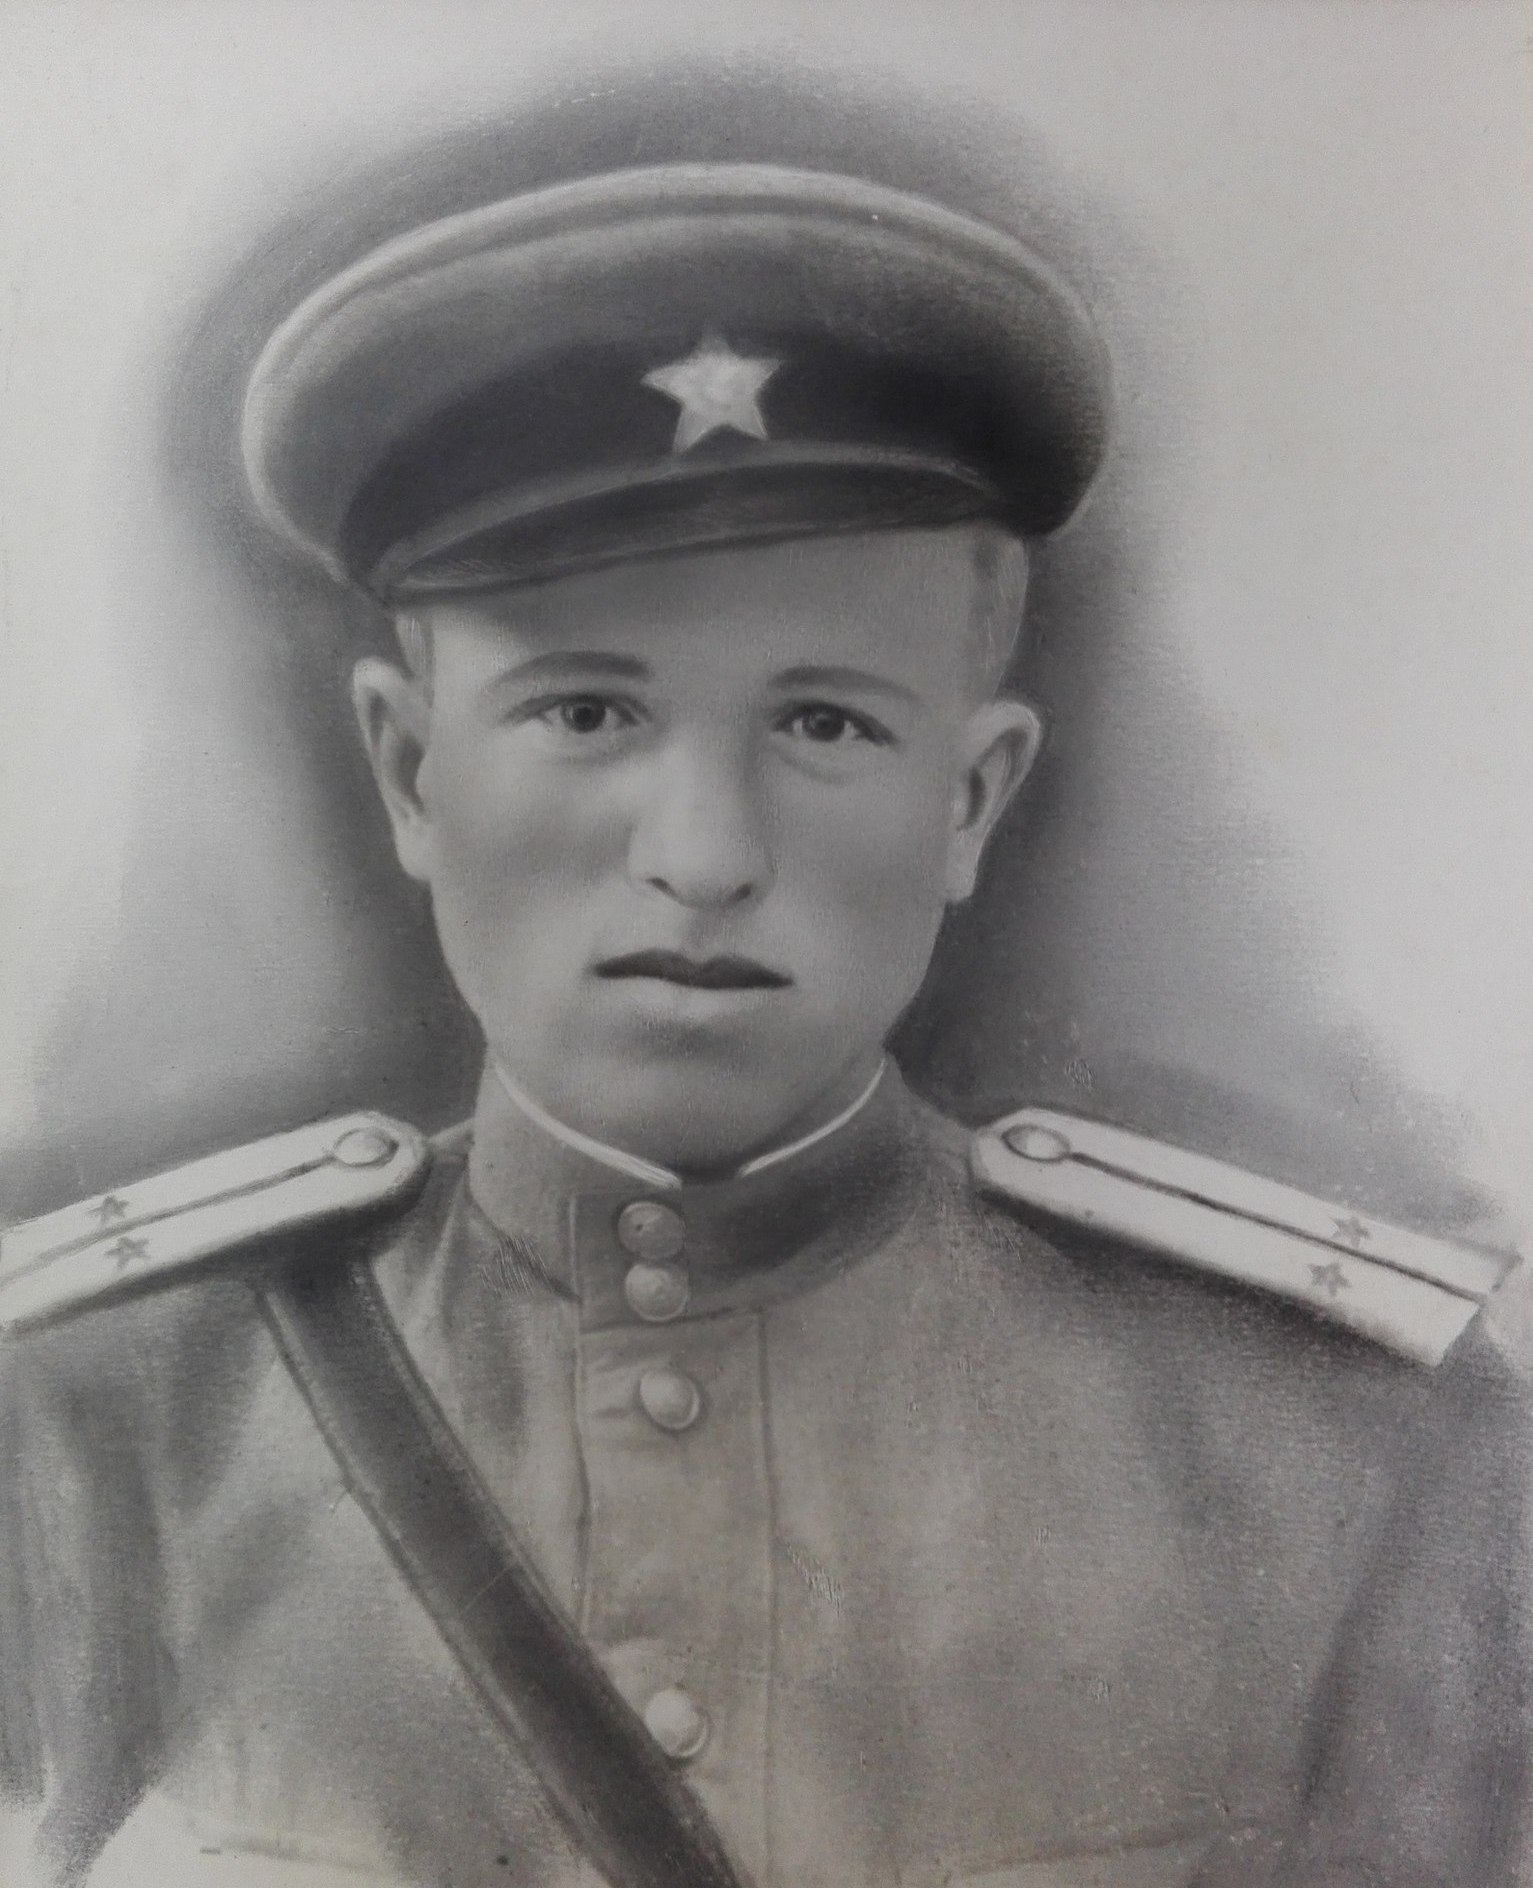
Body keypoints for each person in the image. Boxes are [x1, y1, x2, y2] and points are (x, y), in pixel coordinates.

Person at [1, 158, 1528, 1888]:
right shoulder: (90, 1422)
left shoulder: (1347, 1447)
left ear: (969, 800)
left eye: (825, 724)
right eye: (586, 710)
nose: (706, 856)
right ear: (411, 772)